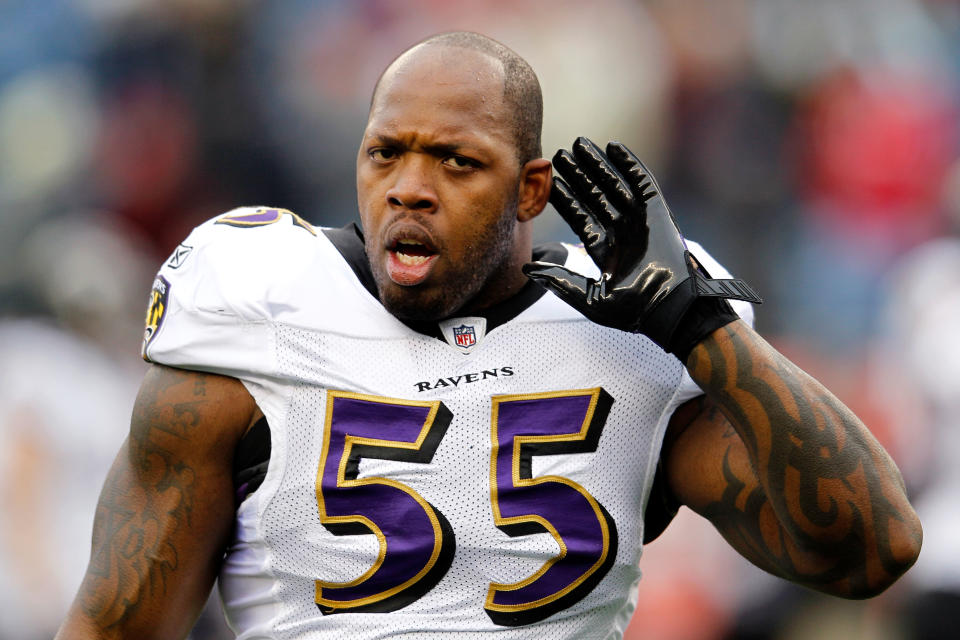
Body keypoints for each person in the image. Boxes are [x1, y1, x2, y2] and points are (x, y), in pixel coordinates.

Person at [56, 32, 921, 639]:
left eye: (456, 161)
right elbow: (115, 627)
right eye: (384, 153)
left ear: (532, 189)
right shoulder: (259, 315)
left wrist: (704, 327)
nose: (409, 189)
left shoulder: (623, 341)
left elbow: (872, 550)